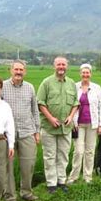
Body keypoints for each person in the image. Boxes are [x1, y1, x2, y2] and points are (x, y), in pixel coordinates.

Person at [37, 57, 79, 193]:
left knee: (63, 155)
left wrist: (71, 116)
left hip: (65, 128)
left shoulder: (71, 83)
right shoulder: (46, 83)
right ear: (54, 66)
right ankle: (51, 184)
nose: (61, 67)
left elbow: (75, 103)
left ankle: (62, 181)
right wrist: (50, 118)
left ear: (67, 66)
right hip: (49, 127)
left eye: (63, 64)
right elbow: (41, 102)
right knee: (49, 156)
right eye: (58, 64)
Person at [1, 60, 40, 201]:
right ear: (10, 70)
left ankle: (26, 192)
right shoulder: (2, 86)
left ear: (25, 72)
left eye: (21, 70)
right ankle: (10, 197)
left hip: (27, 131)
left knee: (28, 164)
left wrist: (37, 131)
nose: (18, 72)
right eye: (16, 69)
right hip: (7, 135)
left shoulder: (30, 87)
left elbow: (34, 110)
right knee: (8, 167)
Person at [67, 64, 101, 184]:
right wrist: (72, 121)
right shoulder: (74, 87)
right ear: (80, 73)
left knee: (90, 151)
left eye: (87, 73)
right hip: (78, 124)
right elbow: (70, 105)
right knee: (78, 151)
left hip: (92, 124)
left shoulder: (96, 88)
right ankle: (73, 176)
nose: (85, 75)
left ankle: (88, 176)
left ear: (90, 74)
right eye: (83, 73)